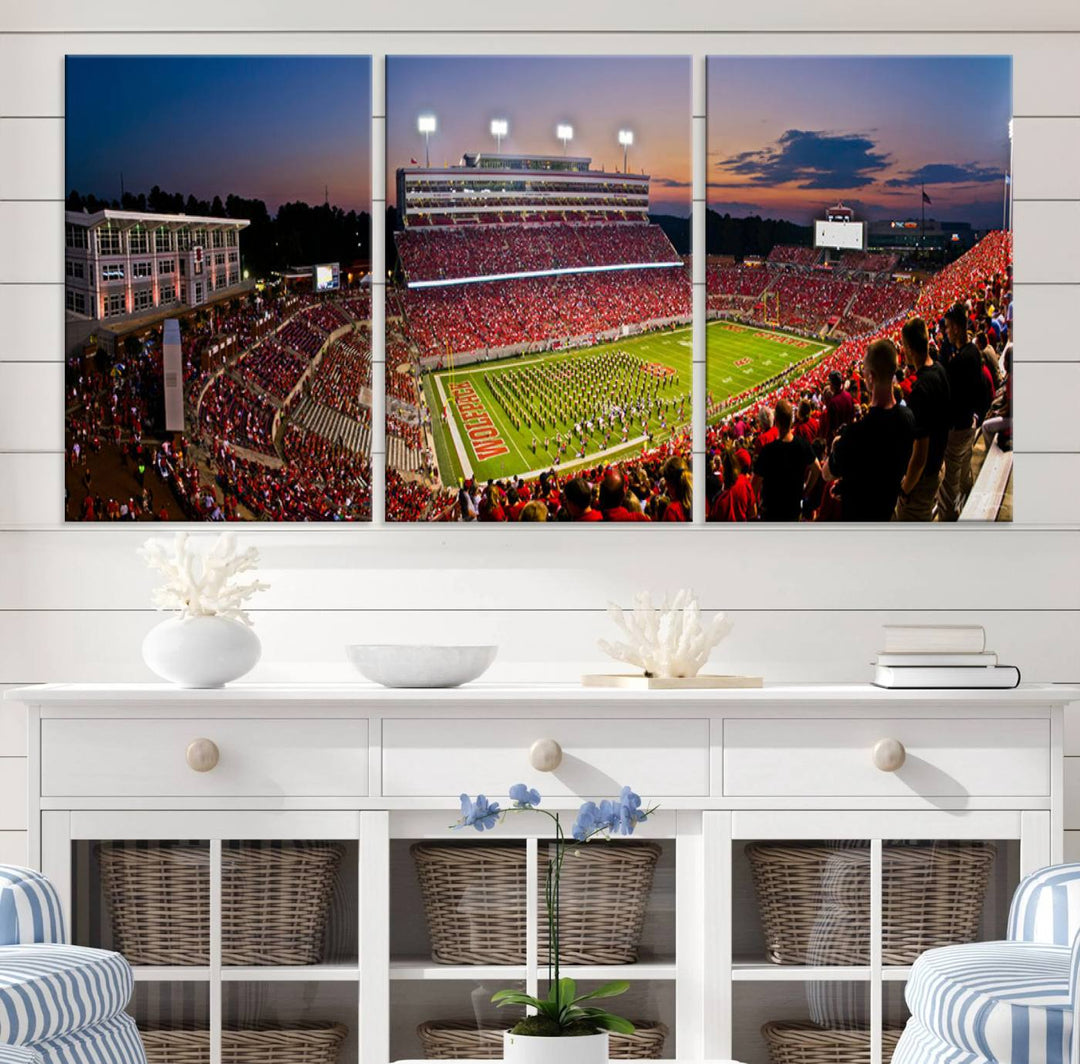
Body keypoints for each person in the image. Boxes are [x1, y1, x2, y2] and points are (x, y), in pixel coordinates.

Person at [822, 338, 914, 521]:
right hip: (888, 511)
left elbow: (827, 473)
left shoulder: (855, 435)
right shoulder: (908, 418)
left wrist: (836, 445)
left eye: (864, 370)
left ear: (870, 377)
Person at [896, 317, 951, 521]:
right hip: (938, 465)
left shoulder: (920, 389)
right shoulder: (940, 370)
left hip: (924, 478)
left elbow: (920, 454)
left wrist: (906, 489)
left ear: (909, 348)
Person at [937, 302, 988, 520]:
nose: (946, 332)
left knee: (948, 488)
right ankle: (969, 507)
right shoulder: (972, 352)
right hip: (970, 423)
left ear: (956, 328)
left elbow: (947, 392)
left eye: (947, 327)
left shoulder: (961, 360)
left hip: (957, 429)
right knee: (965, 475)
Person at [754, 399, 818, 521]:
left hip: (772, 512)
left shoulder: (768, 451)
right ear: (792, 420)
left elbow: (754, 486)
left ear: (776, 421)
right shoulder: (802, 445)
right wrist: (805, 491)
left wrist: (758, 505)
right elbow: (817, 469)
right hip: (793, 510)